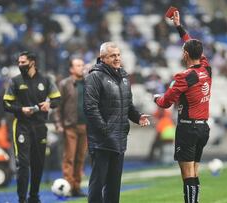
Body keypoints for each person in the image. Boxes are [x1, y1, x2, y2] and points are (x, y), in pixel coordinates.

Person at [154, 10, 211, 203]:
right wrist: (179, 27)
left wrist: (156, 98)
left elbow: (165, 102)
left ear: (185, 54)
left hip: (188, 128)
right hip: (203, 127)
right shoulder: (206, 69)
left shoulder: (184, 77)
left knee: (187, 173)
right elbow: (192, 44)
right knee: (194, 170)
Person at [84, 42, 150, 203]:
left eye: (118, 55)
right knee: (97, 183)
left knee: (114, 185)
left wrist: (137, 116)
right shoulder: (94, 77)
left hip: (119, 139)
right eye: (113, 55)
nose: (117, 58)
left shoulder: (124, 77)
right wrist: (105, 130)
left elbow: (128, 105)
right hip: (102, 140)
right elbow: (90, 108)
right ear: (102, 58)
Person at [3, 51, 61, 203]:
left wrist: (49, 104)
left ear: (32, 62)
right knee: (23, 164)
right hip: (22, 125)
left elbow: (57, 99)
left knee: (38, 162)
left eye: (23, 62)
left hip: (40, 125)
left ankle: (34, 197)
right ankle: (22, 199)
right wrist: (20, 110)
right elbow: (6, 103)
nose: (20, 65)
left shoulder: (46, 80)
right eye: (19, 62)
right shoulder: (15, 81)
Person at [54, 58, 89, 197]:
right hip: (70, 126)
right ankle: (68, 186)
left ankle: (77, 187)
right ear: (71, 69)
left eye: (82, 65)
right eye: (78, 65)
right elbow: (57, 105)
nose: (81, 67)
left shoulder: (88, 82)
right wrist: (58, 124)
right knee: (69, 157)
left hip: (85, 126)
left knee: (80, 158)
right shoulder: (64, 84)